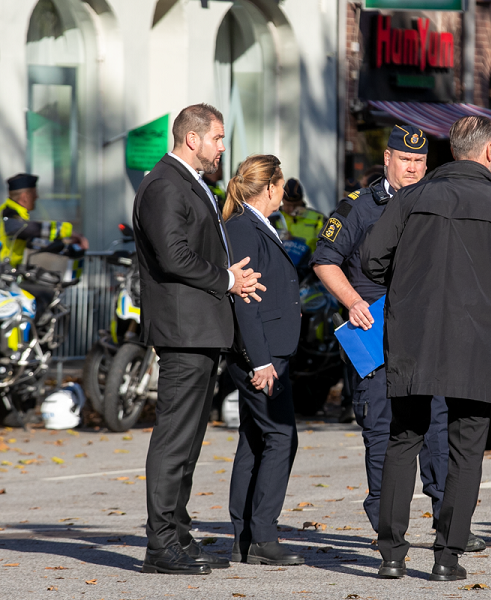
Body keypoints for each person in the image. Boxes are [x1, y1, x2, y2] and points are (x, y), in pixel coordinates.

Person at [361, 115, 491, 582]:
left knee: (404, 437)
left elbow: (372, 259)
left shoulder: (412, 197)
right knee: (466, 444)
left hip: (413, 332)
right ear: (487, 152)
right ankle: (446, 557)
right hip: (476, 337)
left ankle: (391, 555)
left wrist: (409, 285)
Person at [311, 125, 486, 553]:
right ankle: (387, 528)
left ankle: (450, 525)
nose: (412, 167)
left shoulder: (437, 201)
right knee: (383, 428)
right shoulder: (358, 208)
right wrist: (352, 302)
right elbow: (324, 260)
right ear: (387, 159)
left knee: (438, 427)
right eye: (404, 160)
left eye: (420, 162)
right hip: (375, 332)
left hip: (427, 332)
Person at [133, 103, 264, 575]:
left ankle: (178, 537)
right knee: (174, 440)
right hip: (183, 330)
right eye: (218, 139)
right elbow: (173, 256)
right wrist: (227, 280)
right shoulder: (166, 184)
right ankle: (161, 546)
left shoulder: (190, 183)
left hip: (200, 330)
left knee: (188, 442)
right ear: (193, 139)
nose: (223, 149)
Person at [223, 155, 305, 566]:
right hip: (263, 355)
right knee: (280, 438)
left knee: (255, 440)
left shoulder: (254, 224)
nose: (283, 194)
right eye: (282, 187)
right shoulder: (242, 226)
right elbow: (244, 302)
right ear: (271, 187)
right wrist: (259, 361)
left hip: (270, 351)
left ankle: (244, 537)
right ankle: (262, 536)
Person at [2, 173, 89, 266]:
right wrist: (67, 231)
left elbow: (30, 240)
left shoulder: (16, 214)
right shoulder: (8, 213)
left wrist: (64, 242)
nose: (37, 197)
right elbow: (29, 229)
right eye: (34, 193)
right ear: (25, 196)